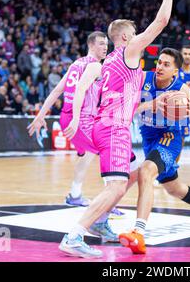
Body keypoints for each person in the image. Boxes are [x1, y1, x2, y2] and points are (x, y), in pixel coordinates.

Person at [58, 0, 173, 258]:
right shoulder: (127, 51)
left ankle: (98, 220)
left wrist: (150, 105)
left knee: (132, 174)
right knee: (118, 187)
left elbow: (125, 101)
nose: (139, 40)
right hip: (113, 129)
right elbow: (160, 23)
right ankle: (74, 235)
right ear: (125, 37)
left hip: (107, 125)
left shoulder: (108, 61)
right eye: (134, 35)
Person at [118, 48, 190, 255]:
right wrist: (152, 104)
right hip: (149, 139)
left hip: (170, 138)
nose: (160, 67)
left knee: (145, 172)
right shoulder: (143, 78)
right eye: (159, 62)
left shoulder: (181, 88)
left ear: (175, 71)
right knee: (173, 188)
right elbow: (127, 107)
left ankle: (138, 233)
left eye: (166, 65)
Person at [28, 31, 123, 218]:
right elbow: (77, 91)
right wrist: (77, 119)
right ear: (91, 45)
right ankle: (108, 201)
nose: (105, 47)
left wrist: (40, 115)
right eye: (102, 44)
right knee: (107, 150)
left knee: (87, 155)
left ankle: (75, 195)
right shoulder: (95, 66)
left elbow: (57, 90)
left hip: (68, 117)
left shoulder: (76, 64)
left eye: (106, 44)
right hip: (79, 118)